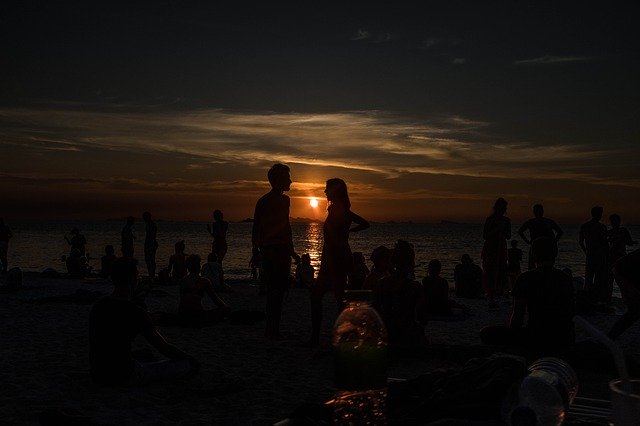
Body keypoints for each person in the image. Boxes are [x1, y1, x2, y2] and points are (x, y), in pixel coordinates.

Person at [89, 257, 199, 386]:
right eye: (138, 276)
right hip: (124, 375)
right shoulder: (135, 312)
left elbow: (103, 345)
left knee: (145, 354)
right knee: (185, 365)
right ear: (132, 280)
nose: (139, 280)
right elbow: (163, 347)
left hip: (97, 374)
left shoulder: (98, 306)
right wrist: (191, 359)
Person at [480, 237, 575, 357]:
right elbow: (571, 311)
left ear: (533, 255)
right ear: (555, 254)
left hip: (536, 337)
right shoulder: (565, 278)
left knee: (485, 333)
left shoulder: (526, 278)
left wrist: (513, 336)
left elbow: (518, 314)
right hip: (563, 337)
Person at [310, 178, 369, 345]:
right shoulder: (342, 210)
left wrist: (346, 234)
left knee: (328, 298)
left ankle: (323, 338)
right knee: (337, 299)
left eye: (327, 189)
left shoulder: (337, 209)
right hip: (339, 256)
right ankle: (342, 338)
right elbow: (365, 224)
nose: (324, 191)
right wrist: (350, 231)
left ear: (334, 191)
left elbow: (333, 241)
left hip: (335, 258)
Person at [251, 164, 300, 340]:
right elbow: (279, 227)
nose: (290, 181)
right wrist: (290, 250)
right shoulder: (277, 201)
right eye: (287, 178)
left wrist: (256, 250)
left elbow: (259, 228)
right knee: (276, 291)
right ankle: (272, 330)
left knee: (274, 290)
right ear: (277, 180)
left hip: (271, 249)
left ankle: (272, 329)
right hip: (276, 250)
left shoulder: (266, 200)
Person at [377, 240, 426, 348]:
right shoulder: (416, 287)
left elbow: (377, 310)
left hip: (387, 331)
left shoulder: (382, 283)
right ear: (411, 263)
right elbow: (422, 317)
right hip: (406, 333)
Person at [178, 254, 230, 326]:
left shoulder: (182, 281)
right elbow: (216, 300)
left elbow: (184, 299)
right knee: (226, 310)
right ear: (199, 267)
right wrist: (224, 307)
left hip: (182, 314)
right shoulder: (204, 281)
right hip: (197, 314)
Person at [481, 198, 511, 309]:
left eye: (504, 208)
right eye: (501, 207)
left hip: (501, 247)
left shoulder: (507, 220)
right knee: (489, 270)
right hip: (491, 247)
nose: (503, 210)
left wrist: (502, 230)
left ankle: (499, 293)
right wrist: (497, 229)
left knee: (501, 270)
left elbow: (509, 235)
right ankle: (490, 295)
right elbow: (485, 235)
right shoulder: (490, 220)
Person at [518, 204, 564, 270]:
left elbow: (520, 231)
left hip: (542, 248)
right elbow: (560, 232)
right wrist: (554, 242)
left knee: (534, 268)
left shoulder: (532, 222)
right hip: (544, 248)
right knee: (546, 268)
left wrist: (528, 241)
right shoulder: (547, 221)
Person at [579, 206, 609, 304]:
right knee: (598, 278)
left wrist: (586, 251)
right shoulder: (601, 227)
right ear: (599, 214)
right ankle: (596, 299)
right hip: (599, 256)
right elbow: (605, 244)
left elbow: (580, 242)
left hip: (590, 255)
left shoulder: (584, 226)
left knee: (589, 278)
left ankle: (588, 298)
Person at [608, 249, 640, 340]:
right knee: (635, 310)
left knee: (635, 311)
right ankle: (610, 338)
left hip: (624, 270)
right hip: (624, 271)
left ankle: (610, 337)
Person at [607, 214, 637, 303]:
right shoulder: (623, 231)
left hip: (613, 259)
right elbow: (629, 242)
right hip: (620, 258)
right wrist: (633, 242)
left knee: (611, 281)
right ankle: (626, 300)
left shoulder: (610, 232)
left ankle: (609, 299)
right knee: (623, 282)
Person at [143, 211, 158, 280]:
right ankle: (151, 274)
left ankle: (152, 275)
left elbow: (151, 236)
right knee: (150, 260)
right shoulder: (149, 224)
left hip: (150, 244)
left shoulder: (151, 225)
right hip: (150, 244)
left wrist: (149, 244)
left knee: (150, 260)